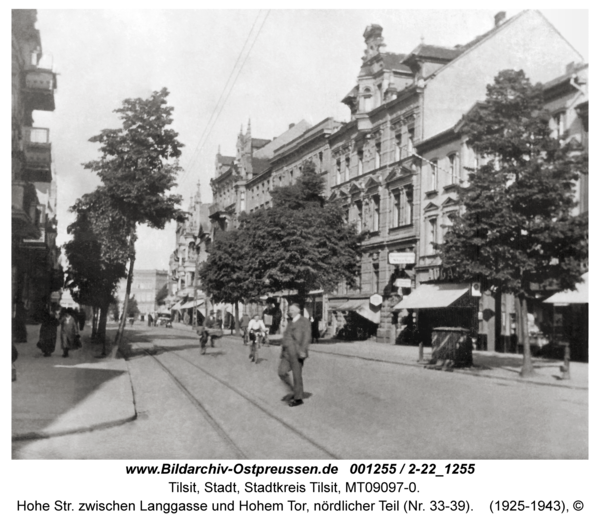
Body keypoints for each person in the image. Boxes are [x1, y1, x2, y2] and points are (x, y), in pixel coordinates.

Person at [278, 303, 311, 407]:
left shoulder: (304, 321)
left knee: (297, 376)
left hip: (297, 353)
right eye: (289, 310)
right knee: (281, 372)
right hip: (286, 353)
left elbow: (307, 337)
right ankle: (294, 390)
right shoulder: (290, 321)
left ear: (298, 310)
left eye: (291, 310)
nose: (289, 312)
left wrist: (303, 350)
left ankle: (298, 398)